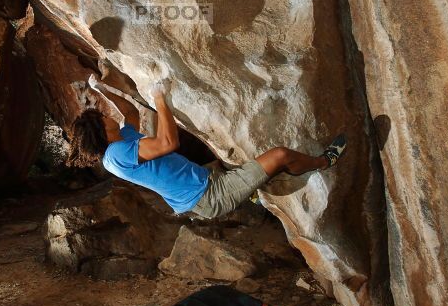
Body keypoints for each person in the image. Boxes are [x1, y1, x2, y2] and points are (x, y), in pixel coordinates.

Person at [67, 78, 346, 219]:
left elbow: (129, 114)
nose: (107, 116)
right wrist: (160, 99)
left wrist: (103, 88)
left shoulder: (120, 141)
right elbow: (168, 143)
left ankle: (255, 188)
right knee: (280, 155)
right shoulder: (116, 155)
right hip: (209, 196)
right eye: (103, 117)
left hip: (203, 179)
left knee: (216, 150)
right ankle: (325, 162)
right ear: (101, 130)